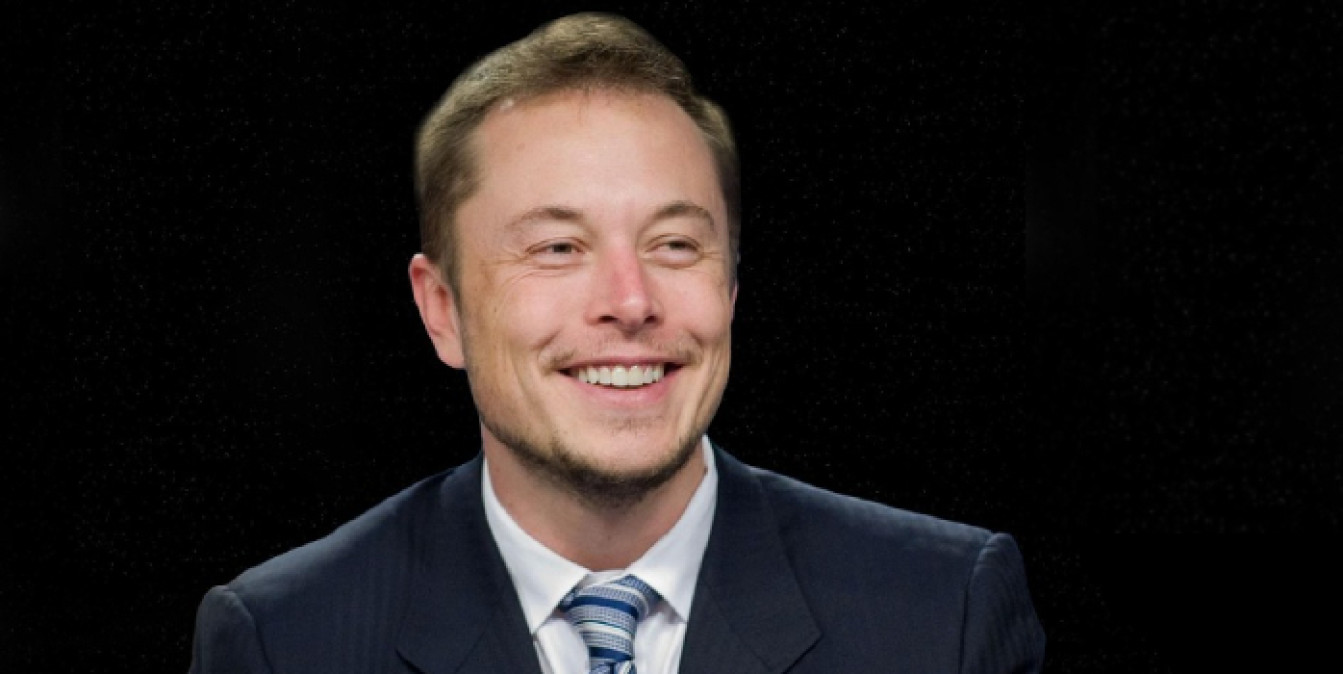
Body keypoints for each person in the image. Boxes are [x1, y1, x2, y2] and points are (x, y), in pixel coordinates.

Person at [189, 12, 1045, 673]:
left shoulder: (943, 615)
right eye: (557, 248)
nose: (630, 302)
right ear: (441, 310)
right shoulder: (283, 640)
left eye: (674, 245)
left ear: (730, 287)